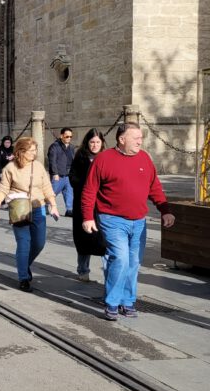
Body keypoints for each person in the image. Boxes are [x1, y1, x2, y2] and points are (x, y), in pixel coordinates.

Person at [81, 123, 174, 321]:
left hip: (138, 221)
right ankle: (112, 302)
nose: (140, 141)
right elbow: (89, 190)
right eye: (136, 138)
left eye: (141, 137)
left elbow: (154, 187)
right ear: (122, 139)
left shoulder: (144, 158)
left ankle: (128, 301)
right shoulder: (103, 159)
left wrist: (165, 211)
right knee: (120, 259)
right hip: (112, 219)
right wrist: (87, 217)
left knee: (134, 262)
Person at [0, 136, 59, 291]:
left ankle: (23, 264)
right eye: (32, 150)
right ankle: (23, 277)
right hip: (19, 209)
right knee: (24, 242)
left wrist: (53, 205)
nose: (35, 153)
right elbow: (3, 189)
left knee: (39, 243)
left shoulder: (38, 166)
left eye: (35, 150)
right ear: (21, 151)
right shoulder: (10, 168)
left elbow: (47, 187)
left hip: (38, 208)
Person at [69, 128, 108, 282]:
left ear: (102, 143)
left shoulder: (107, 157)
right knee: (84, 238)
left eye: (98, 142)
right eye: (92, 142)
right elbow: (73, 179)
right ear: (87, 142)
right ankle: (83, 270)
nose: (95, 145)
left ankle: (109, 273)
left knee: (106, 238)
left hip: (103, 204)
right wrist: (89, 186)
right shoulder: (80, 157)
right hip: (84, 204)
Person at [47, 127, 76, 216]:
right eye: (67, 136)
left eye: (70, 137)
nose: (69, 138)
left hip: (68, 175)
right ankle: (45, 207)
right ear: (61, 136)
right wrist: (55, 173)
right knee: (52, 192)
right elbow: (52, 161)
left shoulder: (71, 147)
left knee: (69, 193)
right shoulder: (55, 146)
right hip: (58, 175)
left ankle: (69, 210)